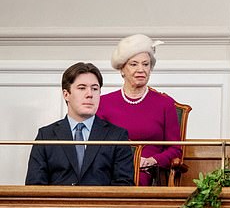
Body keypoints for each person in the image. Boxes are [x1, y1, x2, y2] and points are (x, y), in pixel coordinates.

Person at [25, 62, 134, 186]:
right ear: (66, 94)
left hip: (101, 205)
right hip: (58, 205)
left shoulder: (117, 136)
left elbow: (124, 186)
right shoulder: (46, 135)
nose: (89, 94)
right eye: (82, 88)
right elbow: (34, 187)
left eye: (95, 88)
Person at [97, 34, 182, 186]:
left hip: (147, 173)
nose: (141, 69)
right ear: (122, 69)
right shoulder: (103, 103)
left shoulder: (165, 104)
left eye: (146, 64)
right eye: (134, 64)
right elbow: (96, 146)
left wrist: (152, 161)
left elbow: (175, 148)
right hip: (110, 169)